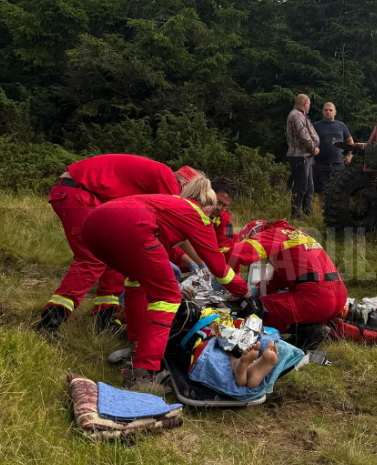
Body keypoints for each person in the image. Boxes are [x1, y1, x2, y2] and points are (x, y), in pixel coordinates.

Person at [81, 175, 248, 390]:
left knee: (136, 282)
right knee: (167, 298)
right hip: (130, 226)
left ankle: (137, 346)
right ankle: (142, 374)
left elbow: (164, 249)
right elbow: (219, 268)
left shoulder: (169, 203)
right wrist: (244, 291)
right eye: (215, 207)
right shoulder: (196, 214)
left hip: (93, 225)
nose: (215, 213)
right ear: (207, 204)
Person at [38, 154, 201, 336]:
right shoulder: (168, 180)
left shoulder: (154, 182)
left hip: (83, 193)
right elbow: (177, 230)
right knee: (91, 260)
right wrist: (202, 264)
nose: (187, 200)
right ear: (185, 185)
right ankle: (50, 319)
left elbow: (163, 236)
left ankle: (104, 319)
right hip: (78, 193)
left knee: (114, 256)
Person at [224, 220, 346, 342]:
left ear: (254, 232)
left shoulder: (270, 234)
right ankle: (329, 329)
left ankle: (306, 330)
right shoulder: (296, 234)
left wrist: (239, 290)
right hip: (339, 296)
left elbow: (235, 253)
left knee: (252, 309)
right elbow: (278, 279)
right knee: (334, 326)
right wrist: (254, 291)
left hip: (314, 299)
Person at [285, 94, 319, 219]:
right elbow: (303, 135)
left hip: (306, 155)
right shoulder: (296, 115)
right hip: (299, 156)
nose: (309, 106)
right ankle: (295, 215)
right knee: (300, 186)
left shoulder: (301, 115)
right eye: (309, 104)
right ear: (305, 103)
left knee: (309, 187)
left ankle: (308, 212)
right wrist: (313, 148)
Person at [312, 102, 354, 205]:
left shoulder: (341, 125)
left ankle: (338, 209)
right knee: (321, 190)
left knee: (340, 189)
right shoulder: (316, 126)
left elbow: (350, 141)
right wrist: (310, 157)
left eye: (330, 110)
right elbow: (308, 142)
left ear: (335, 112)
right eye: (326, 110)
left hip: (338, 163)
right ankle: (323, 210)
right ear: (322, 112)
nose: (328, 112)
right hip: (320, 163)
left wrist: (350, 155)